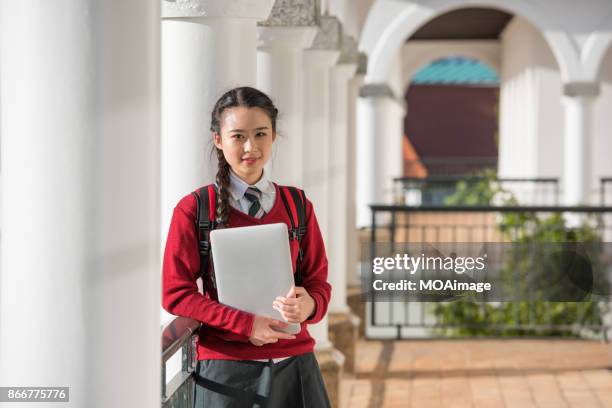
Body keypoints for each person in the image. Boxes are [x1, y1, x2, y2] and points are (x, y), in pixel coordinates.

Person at [162, 86, 332, 407]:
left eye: (260, 134)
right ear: (218, 140)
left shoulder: (298, 205)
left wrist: (309, 305)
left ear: (274, 136)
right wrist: (246, 325)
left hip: (296, 367)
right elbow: (176, 293)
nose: (250, 147)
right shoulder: (195, 209)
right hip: (225, 373)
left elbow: (318, 284)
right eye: (238, 136)